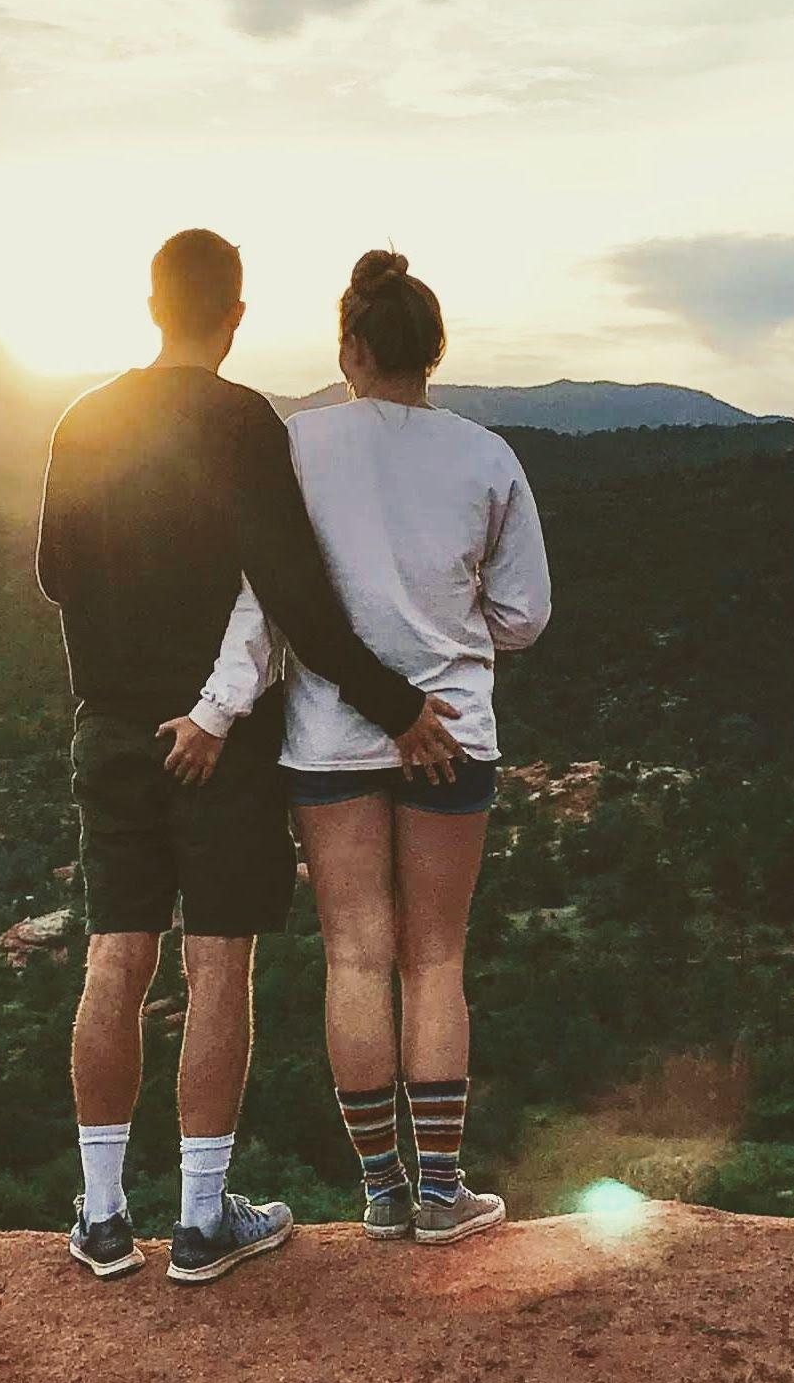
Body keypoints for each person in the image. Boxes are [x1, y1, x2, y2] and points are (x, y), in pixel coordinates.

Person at [34, 229, 464, 1287]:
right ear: (234, 315)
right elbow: (290, 591)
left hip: (111, 723)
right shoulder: (242, 422)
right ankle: (197, 1221)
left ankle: (97, 1217)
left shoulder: (81, 420)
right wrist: (395, 704)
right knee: (218, 959)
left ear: (149, 302)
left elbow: (54, 574)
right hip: (219, 738)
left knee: (115, 954)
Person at [172, 249, 552, 1242]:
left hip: (327, 741)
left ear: (349, 348)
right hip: (453, 733)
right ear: (430, 352)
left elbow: (268, 598)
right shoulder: (485, 455)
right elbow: (524, 616)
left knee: (353, 954)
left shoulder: (296, 445)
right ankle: (439, 1189)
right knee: (434, 957)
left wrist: (219, 704)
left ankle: (380, 1192)